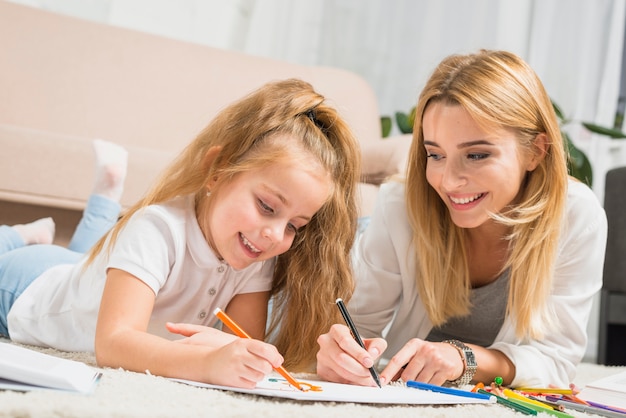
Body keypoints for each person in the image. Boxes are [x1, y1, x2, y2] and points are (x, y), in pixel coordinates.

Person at [1, 79, 360, 389]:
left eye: (294, 225)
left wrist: (239, 355)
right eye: (267, 206)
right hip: (24, 286)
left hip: (78, 274)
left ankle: (86, 210)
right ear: (216, 170)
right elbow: (112, 344)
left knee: (86, 257)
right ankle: (20, 237)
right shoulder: (156, 228)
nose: (274, 235)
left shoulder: (254, 250)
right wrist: (206, 363)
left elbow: (241, 345)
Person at [316, 50, 607, 389]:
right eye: (435, 154)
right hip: (361, 239)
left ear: (536, 151)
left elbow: (557, 360)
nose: (449, 181)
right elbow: (358, 326)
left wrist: (463, 358)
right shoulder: (400, 205)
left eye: (477, 155)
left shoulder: (576, 216)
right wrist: (341, 352)